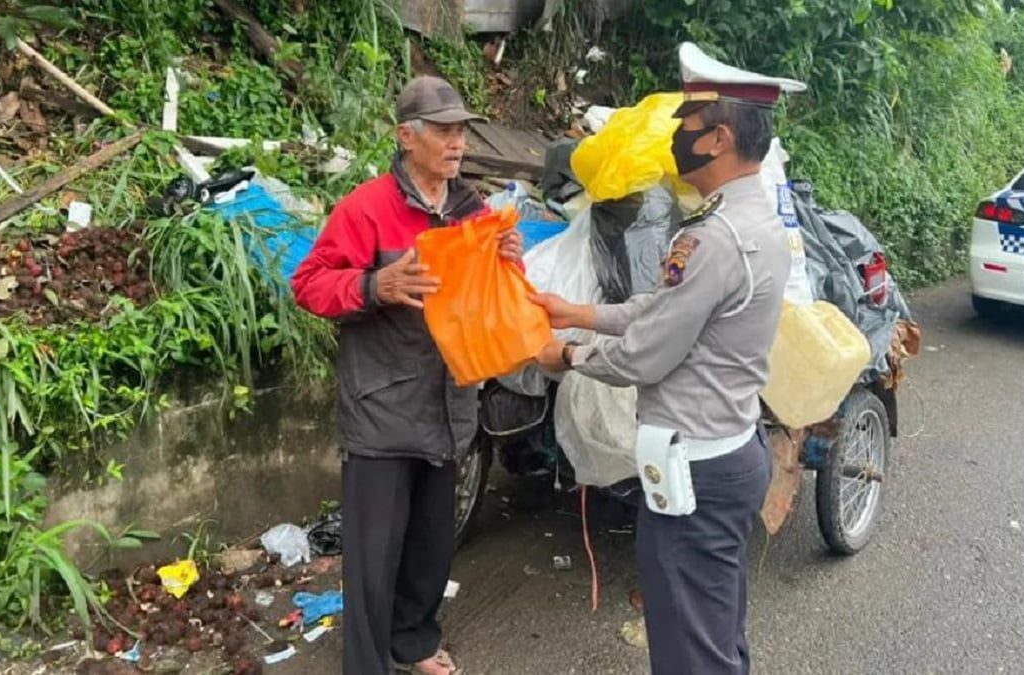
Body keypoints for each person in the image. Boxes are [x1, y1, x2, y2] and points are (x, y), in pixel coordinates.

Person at [533, 43, 805, 675]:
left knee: (690, 650)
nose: (675, 137)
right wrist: (581, 313)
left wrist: (567, 355)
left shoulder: (715, 238)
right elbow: (666, 309)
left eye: (686, 124)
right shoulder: (752, 220)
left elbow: (645, 356)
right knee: (716, 633)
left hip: (697, 475)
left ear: (719, 139)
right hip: (730, 452)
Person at [292, 76, 524, 675]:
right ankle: (367, 664)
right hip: (383, 409)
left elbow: (485, 298)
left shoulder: (471, 210)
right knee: (374, 558)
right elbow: (309, 284)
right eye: (443, 131)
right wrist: (375, 285)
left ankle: (413, 643)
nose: (457, 143)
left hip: (449, 404)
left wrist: (507, 262)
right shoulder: (366, 208)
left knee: (430, 546)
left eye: (461, 131)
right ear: (406, 136)